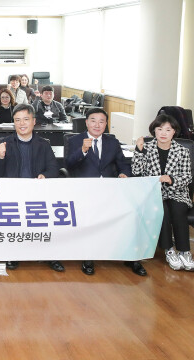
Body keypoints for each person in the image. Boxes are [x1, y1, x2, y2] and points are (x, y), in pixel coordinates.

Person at [64, 108, 146, 276]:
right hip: (85, 190)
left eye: (101, 121)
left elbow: (123, 164)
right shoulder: (74, 140)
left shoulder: (112, 142)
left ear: (106, 124)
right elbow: (68, 165)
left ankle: (132, 257)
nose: (97, 125)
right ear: (86, 122)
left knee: (132, 212)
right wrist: (83, 150)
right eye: (93, 121)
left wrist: (124, 174)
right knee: (90, 215)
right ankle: (88, 257)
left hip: (110, 189)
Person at [0, 104, 63, 272]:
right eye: (17, 120)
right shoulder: (3, 143)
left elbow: (53, 168)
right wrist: (0, 156)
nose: (22, 124)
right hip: (12, 195)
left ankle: (50, 255)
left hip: (37, 193)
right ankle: (13, 254)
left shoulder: (43, 144)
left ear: (34, 121)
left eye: (26, 119)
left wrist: (44, 175)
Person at [132, 114, 194, 272]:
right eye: (159, 129)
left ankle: (184, 252)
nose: (163, 133)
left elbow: (187, 177)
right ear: (154, 130)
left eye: (168, 130)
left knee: (179, 209)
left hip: (176, 191)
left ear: (174, 132)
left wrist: (171, 179)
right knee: (163, 211)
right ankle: (169, 250)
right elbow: (136, 171)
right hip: (153, 193)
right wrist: (139, 151)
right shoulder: (146, 148)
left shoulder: (182, 151)